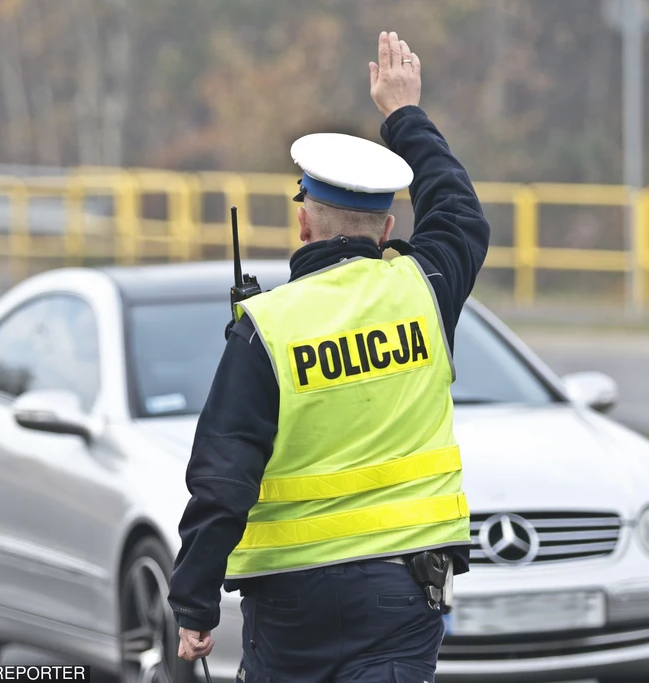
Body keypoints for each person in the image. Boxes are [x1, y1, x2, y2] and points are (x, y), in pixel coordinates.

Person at [167, 30, 491, 681]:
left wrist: (193, 600)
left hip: (291, 608)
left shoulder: (267, 328)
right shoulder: (423, 290)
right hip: (401, 595)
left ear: (304, 225)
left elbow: (222, 476)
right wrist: (404, 113)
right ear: (388, 231)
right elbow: (458, 210)